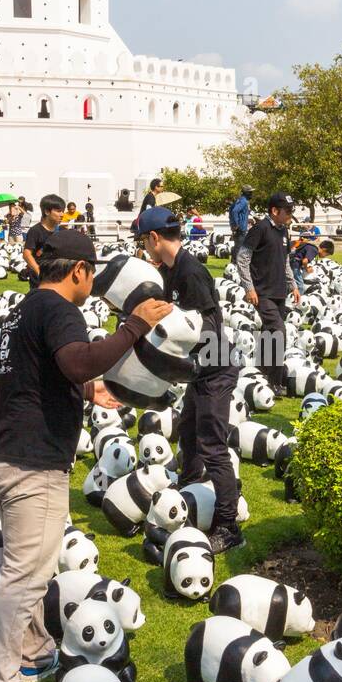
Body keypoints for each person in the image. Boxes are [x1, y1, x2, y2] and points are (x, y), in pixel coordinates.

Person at [0, 231, 171, 682]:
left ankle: (31, 653)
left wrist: (88, 388)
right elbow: (77, 358)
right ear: (78, 270)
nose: (93, 282)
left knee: (33, 561)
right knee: (27, 575)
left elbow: (52, 370)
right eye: (92, 272)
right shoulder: (60, 309)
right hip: (29, 460)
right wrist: (133, 327)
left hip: (12, 452)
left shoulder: (29, 307)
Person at [136, 207, 243, 555]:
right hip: (200, 372)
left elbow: (210, 327)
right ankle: (189, 490)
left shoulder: (190, 272)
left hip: (215, 370)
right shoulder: (170, 271)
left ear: (154, 238)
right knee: (187, 431)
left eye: (144, 242)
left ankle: (228, 526)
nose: (144, 249)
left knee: (213, 446)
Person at [236, 192, 299, 397]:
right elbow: (243, 259)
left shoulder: (284, 231)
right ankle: (274, 382)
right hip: (262, 293)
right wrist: (249, 288)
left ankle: (260, 374)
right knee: (279, 331)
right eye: (287, 211)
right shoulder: (260, 228)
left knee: (268, 334)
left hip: (279, 291)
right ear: (274, 211)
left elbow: (285, 261)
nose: (291, 215)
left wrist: (293, 285)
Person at [23, 194, 65, 289]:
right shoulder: (35, 231)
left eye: (62, 211)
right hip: (39, 279)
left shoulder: (62, 231)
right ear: (46, 211)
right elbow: (26, 254)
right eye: (58, 211)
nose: (62, 214)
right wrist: (38, 271)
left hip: (57, 276)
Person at [228, 186, 253, 260]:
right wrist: (235, 224)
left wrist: (232, 223)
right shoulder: (243, 201)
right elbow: (234, 211)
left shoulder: (239, 200)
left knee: (238, 246)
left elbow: (231, 209)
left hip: (240, 228)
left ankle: (233, 262)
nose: (252, 194)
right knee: (239, 247)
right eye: (250, 192)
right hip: (240, 228)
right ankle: (235, 263)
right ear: (246, 193)